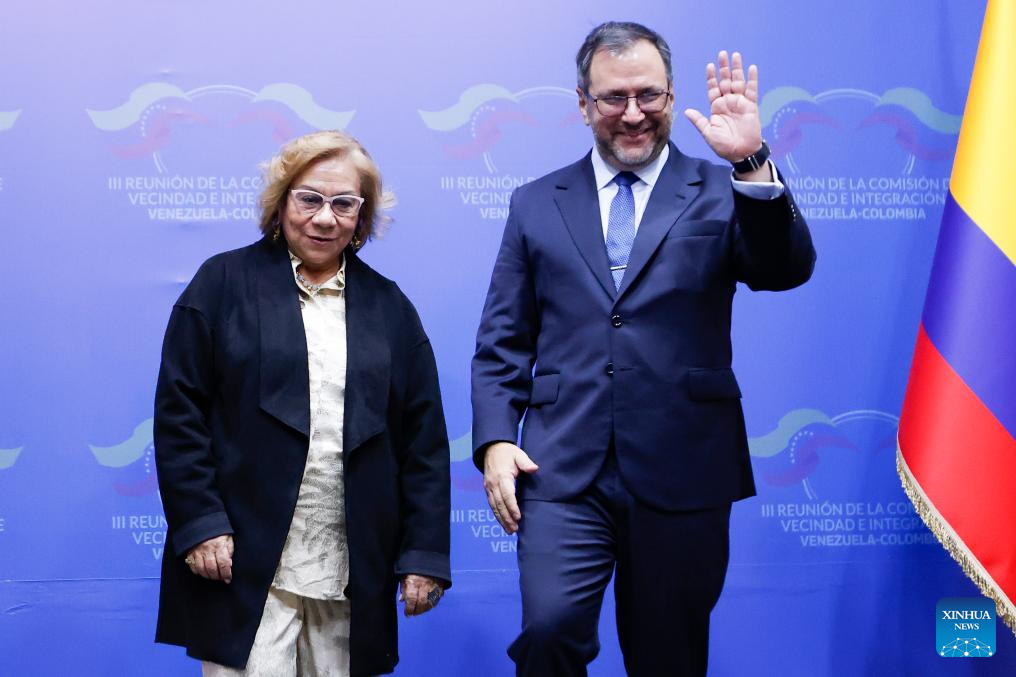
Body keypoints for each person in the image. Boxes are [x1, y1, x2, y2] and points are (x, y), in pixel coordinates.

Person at [471, 21, 815, 677]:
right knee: (549, 629)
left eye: (649, 95)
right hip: (560, 467)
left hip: (685, 465)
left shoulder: (724, 189)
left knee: (669, 656)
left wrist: (750, 162)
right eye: (614, 98)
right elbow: (501, 342)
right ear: (583, 104)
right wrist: (493, 440)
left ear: (671, 96)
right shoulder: (535, 203)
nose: (633, 114)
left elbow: (784, 268)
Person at [154, 130, 450, 677]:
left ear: (361, 216)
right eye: (309, 199)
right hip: (242, 559)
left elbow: (423, 442)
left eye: (344, 204)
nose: (325, 218)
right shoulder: (221, 284)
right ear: (281, 200)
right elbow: (180, 415)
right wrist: (200, 523)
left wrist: (424, 554)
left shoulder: (390, 309)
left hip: (350, 568)